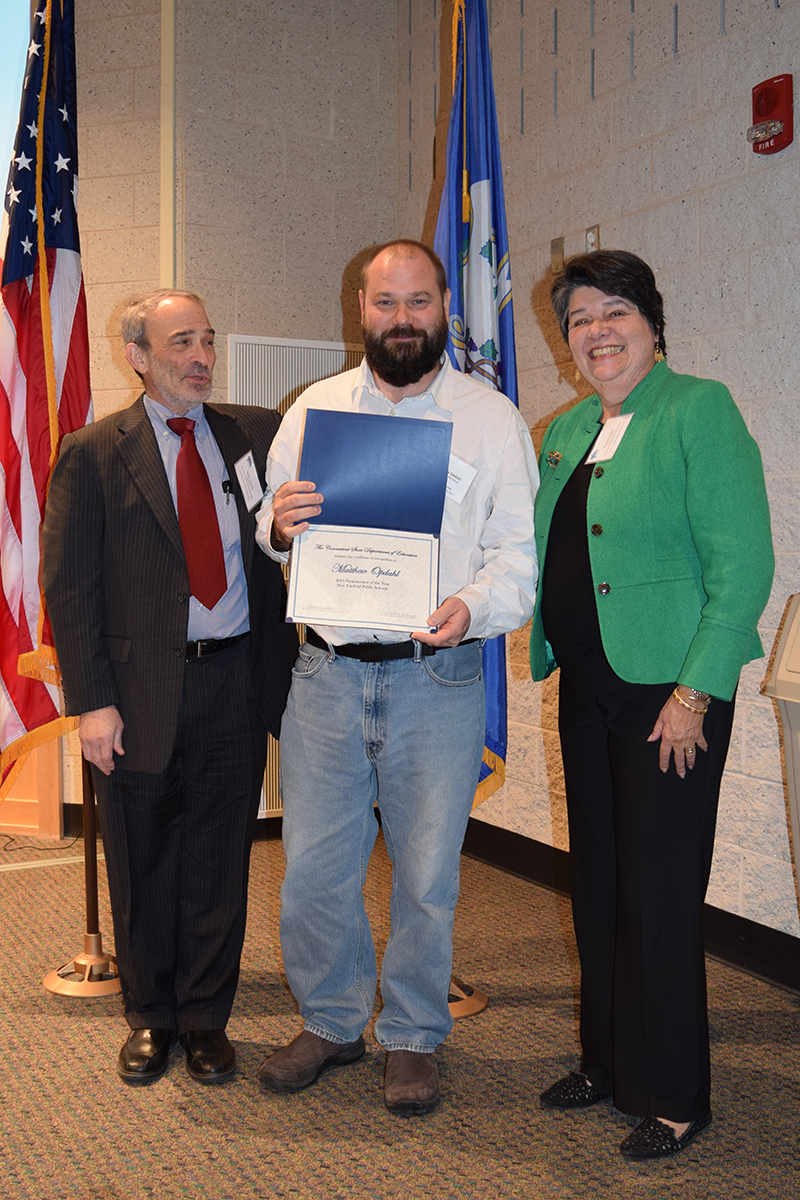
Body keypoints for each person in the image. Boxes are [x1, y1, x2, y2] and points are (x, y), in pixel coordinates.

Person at [256, 239, 539, 1113]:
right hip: (326, 675)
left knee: (425, 875)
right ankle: (332, 1021)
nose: (403, 319)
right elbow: (273, 528)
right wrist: (280, 527)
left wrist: (473, 608)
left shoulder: (491, 420)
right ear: (361, 308)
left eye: (420, 301)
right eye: (386, 302)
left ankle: (414, 1034)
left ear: (444, 306)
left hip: (436, 677)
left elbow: (517, 559)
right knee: (315, 871)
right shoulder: (314, 411)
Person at [530, 251, 774, 1159]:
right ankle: (607, 1062)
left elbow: (743, 565)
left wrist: (696, 692)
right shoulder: (566, 431)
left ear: (652, 324)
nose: (597, 331)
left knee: (659, 893)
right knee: (598, 881)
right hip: (588, 689)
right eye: (580, 318)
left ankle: (674, 1095)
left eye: (615, 312)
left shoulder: (697, 409)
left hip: (669, 699)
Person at [42, 289, 298, 1085]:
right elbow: (70, 587)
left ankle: (205, 1017)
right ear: (138, 357)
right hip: (135, 691)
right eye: (181, 342)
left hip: (235, 680)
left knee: (220, 858)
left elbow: (286, 536)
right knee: (142, 856)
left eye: (207, 341)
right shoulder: (92, 452)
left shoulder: (254, 435)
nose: (201, 358)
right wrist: (92, 702)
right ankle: (152, 1015)